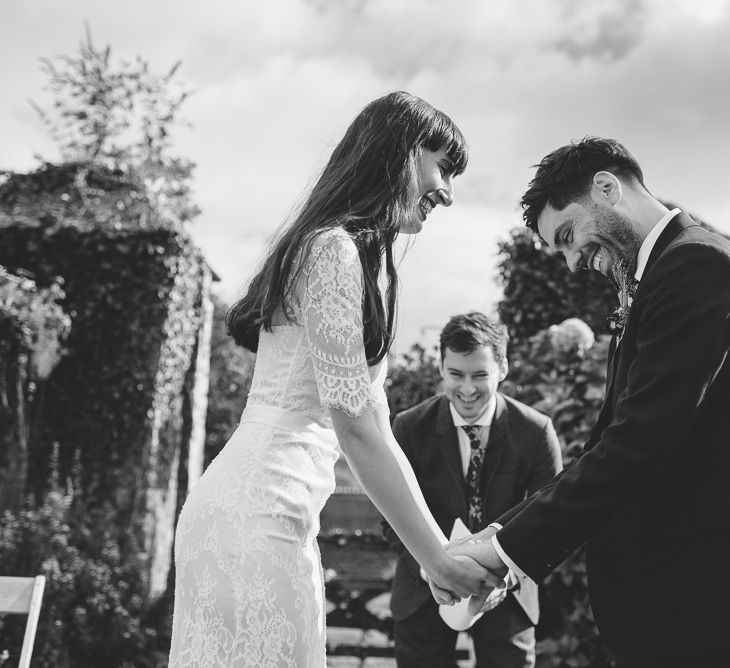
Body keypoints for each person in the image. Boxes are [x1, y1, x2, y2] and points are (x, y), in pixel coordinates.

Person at [168, 92, 497, 668]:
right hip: (256, 514)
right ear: (402, 154)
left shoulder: (357, 259)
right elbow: (359, 427)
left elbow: (372, 426)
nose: (447, 190)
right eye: (442, 166)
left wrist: (435, 552)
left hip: (270, 513)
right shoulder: (333, 251)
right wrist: (438, 560)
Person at [448, 137, 730, 667]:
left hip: (697, 600)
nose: (574, 262)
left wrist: (502, 552)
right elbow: (604, 443)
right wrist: (502, 537)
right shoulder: (661, 274)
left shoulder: (696, 264)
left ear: (606, 187)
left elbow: (637, 445)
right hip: (671, 606)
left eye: (568, 235)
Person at [386, 312, 563, 668]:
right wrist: (435, 569)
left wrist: (505, 574)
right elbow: (390, 521)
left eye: (480, 375)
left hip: (507, 592)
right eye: (456, 375)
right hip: (423, 591)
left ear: (503, 368)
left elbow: (552, 520)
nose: (467, 389)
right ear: (441, 368)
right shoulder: (408, 428)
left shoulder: (536, 431)